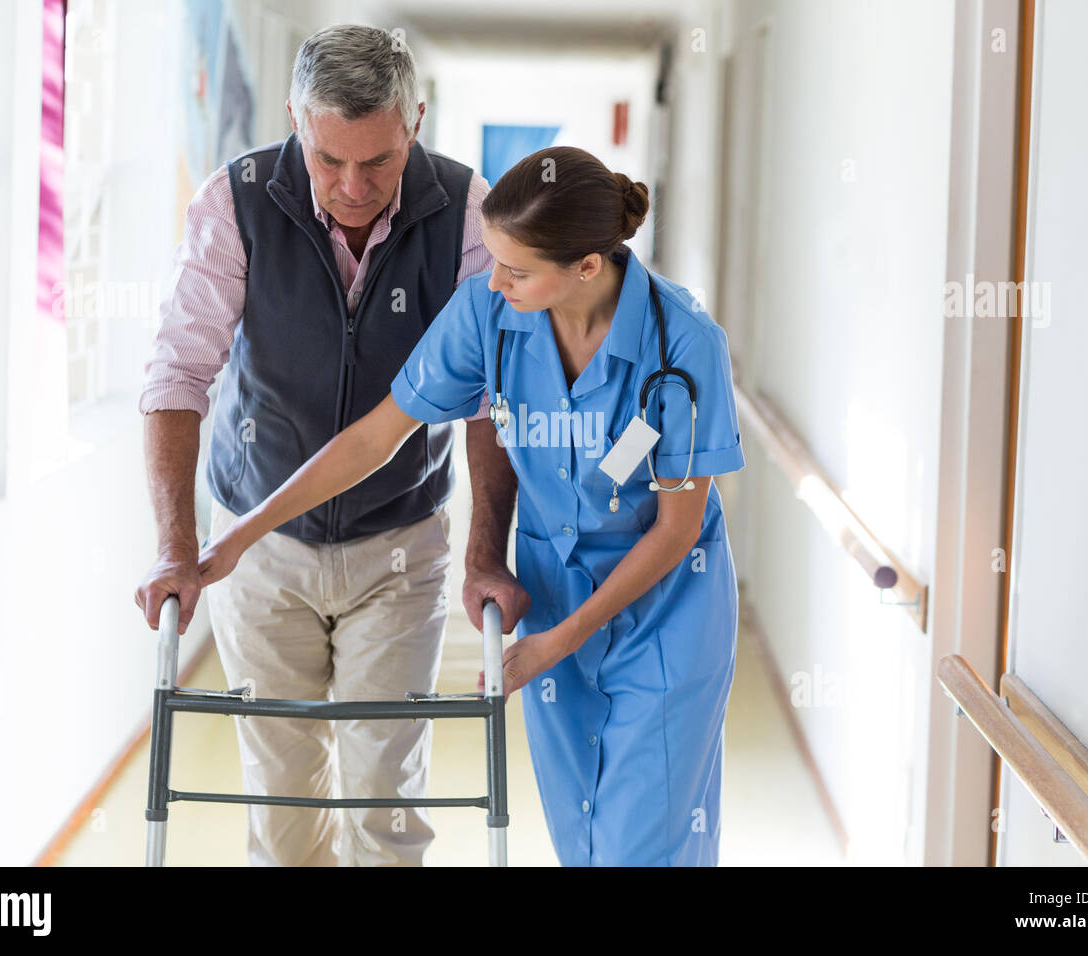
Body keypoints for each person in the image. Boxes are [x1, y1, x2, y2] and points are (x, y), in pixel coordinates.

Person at [196, 145, 745, 867]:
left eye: (516, 269)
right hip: (555, 596)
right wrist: (241, 536)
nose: (495, 279)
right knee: (581, 836)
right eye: (493, 258)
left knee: (640, 847)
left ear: (585, 267)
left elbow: (677, 532)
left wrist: (561, 640)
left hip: (667, 614)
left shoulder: (683, 344)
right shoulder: (488, 310)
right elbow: (375, 438)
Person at [133, 25, 529, 867]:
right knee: (281, 812)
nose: (353, 188)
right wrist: (177, 546)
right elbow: (176, 376)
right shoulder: (234, 203)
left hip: (400, 544)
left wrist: (485, 555)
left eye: (378, 162)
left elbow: (491, 400)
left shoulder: (464, 212)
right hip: (261, 542)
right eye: (328, 159)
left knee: (383, 807)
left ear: (414, 122)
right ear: (293, 121)